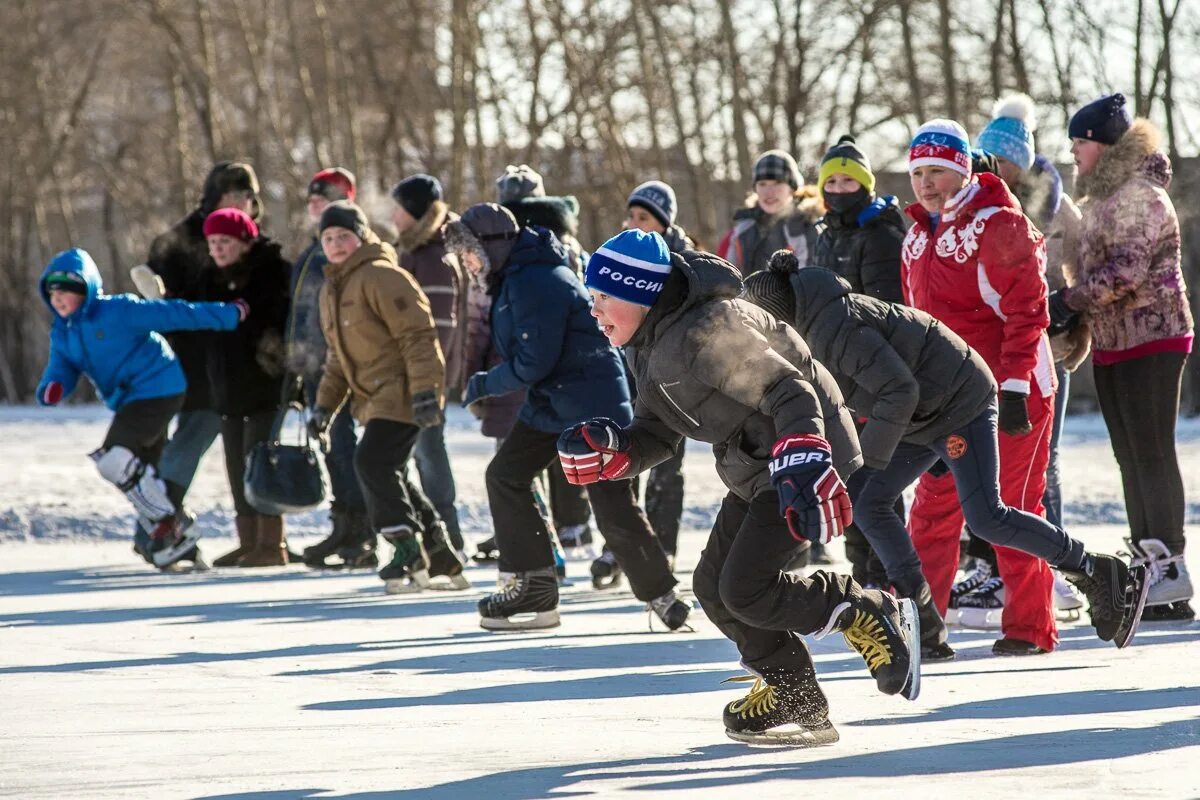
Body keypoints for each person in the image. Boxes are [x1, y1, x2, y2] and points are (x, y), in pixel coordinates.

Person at [565, 229, 920, 746]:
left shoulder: (707, 330)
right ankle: (793, 693)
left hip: (805, 456)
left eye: (602, 298)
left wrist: (804, 450)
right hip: (758, 465)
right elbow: (659, 431)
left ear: (638, 293)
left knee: (745, 588)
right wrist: (617, 452)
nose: (594, 310)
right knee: (714, 588)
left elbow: (790, 389)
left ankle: (869, 609)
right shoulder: (646, 344)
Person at [902, 119, 1149, 654]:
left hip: (1014, 389)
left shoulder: (999, 223)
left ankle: (1031, 627)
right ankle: (923, 626)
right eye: (918, 171)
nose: (926, 182)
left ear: (962, 168)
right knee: (935, 502)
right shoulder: (919, 235)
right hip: (948, 396)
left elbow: (1027, 314)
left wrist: (1012, 388)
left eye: (938, 171)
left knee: (1008, 506)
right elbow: (919, 323)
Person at [445, 204, 688, 631]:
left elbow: (533, 361)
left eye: (468, 252)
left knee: (609, 498)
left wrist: (483, 384)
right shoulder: (513, 278)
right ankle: (535, 584)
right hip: (551, 401)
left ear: (491, 246)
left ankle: (662, 594)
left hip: (590, 401)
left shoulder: (534, 280)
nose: (467, 264)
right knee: (506, 474)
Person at [1050, 94, 1194, 621]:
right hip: (1115, 342)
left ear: (1105, 145)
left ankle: (1171, 566)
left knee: (1151, 451)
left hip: (1153, 337)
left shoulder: (1140, 194)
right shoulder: (1103, 198)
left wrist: (1065, 303)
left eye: (1080, 142)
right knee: (1129, 455)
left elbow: (1124, 274)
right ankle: (1147, 556)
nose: (1074, 151)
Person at [955, 95, 1089, 625]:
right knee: (992, 475)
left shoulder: (1058, 209)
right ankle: (1000, 569)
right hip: (989, 355)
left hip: (1043, 353)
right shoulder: (980, 207)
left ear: (1023, 158)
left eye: (1004, 159)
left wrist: (1064, 308)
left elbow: (1086, 277)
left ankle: (1049, 572)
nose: (995, 167)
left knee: (1037, 470)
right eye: (987, 156)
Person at [36, 248, 244, 569]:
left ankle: (171, 522)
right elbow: (62, 367)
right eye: (53, 292)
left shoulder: (118, 311)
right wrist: (54, 387)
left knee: (115, 459)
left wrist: (228, 314)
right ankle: (177, 542)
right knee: (145, 475)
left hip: (159, 387)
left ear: (86, 290)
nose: (58, 299)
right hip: (128, 399)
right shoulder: (63, 331)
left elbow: (176, 313)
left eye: (66, 291)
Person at [307, 201, 467, 593]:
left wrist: (428, 392)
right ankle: (440, 554)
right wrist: (324, 407)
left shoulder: (382, 276)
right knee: (390, 471)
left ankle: (405, 548)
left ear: (361, 236)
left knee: (373, 463)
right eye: (328, 238)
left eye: (343, 235)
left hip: (403, 391)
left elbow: (419, 335)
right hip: (373, 398)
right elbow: (337, 361)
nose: (336, 244)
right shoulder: (333, 289)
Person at [811, 134, 909, 577]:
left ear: (865, 186)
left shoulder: (881, 234)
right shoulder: (828, 234)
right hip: (836, 375)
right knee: (847, 473)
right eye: (830, 183)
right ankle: (863, 574)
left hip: (872, 374)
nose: (837, 191)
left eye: (847, 183)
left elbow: (888, 312)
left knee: (876, 482)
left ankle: (890, 577)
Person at [495, 164, 594, 553]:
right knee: (517, 448)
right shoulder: (504, 247)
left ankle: (571, 523)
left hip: (556, 358)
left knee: (560, 444)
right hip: (519, 357)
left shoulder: (560, 245)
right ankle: (532, 524)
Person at [285, 168, 375, 569]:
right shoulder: (313, 249)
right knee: (332, 449)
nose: (316, 205)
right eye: (313, 200)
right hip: (316, 366)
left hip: (342, 366)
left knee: (346, 448)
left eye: (327, 198)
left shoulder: (344, 249)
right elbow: (302, 314)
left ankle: (361, 530)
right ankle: (346, 525)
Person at [199, 209, 292, 567]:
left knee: (260, 464)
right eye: (212, 243)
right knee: (236, 465)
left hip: (265, 386)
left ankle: (272, 544)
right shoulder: (211, 277)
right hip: (227, 387)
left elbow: (277, 326)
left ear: (244, 242)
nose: (218, 250)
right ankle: (248, 540)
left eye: (225, 242)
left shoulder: (270, 272)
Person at [391, 173, 469, 556]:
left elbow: (440, 328)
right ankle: (434, 536)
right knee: (414, 452)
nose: (393, 216)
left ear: (417, 213)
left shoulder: (434, 257)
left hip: (426, 375)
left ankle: (448, 536)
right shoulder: (414, 250)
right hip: (412, 370)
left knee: (427, 450)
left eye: (400, 209)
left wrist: (424, 376)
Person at [716, 149, 823, 277]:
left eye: (778, 183)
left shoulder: (805, 228)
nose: (769, 191)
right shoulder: (744, 229)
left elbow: (808, 282)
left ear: (792, 188)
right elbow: (728, 280)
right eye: (762, 184)